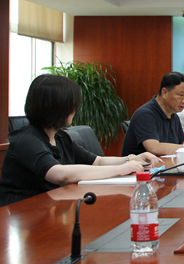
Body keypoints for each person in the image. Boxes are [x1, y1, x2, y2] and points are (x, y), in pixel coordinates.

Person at [0, 74, 161, 207]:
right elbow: (58, 174)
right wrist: (120, 169)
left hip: (50, 207)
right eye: (72, 105)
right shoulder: (26, 139)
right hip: (21, 213)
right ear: (57, 107)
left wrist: (131, 159)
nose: (75, 110)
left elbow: (97, 161)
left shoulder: (60, 137)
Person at [122, 72, 184, 156]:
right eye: (180, 95)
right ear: (164, 93)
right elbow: (154, 147)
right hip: (141, 170)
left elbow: (182, 141)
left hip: (166, 166)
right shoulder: (145, 114)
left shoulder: (174, 115)